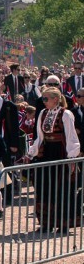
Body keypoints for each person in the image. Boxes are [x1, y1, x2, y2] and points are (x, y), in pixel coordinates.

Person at [26, 87, 81, 233]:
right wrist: (31, 153)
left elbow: (71, 137)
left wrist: (71, 158)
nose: (44, 102)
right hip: (46, 152)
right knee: (44, 188)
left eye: (46, 99)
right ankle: (46, 223)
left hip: (61, 152)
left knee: (61, 188)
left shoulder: (66, 114)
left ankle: (63, 223)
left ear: (55, 99)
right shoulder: (43, 113)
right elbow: (39, 136)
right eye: (43, 99)